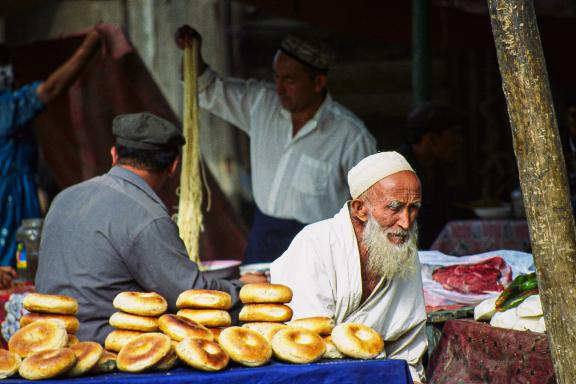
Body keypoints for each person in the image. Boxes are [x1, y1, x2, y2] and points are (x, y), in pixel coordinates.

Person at [36, 112, 266, 343]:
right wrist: (243, 288)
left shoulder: (65, 197)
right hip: (106, 348)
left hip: (45, 339)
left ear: (114, 155)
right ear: (173, 166)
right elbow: (189, 294)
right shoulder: (147, 217)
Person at [175, 26, 377, 264]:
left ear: (318, 82)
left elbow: (374, 209)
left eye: (289, 80)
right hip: (263, 241)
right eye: (276, 77)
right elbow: (203, 87)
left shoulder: (350, 135)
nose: (279, 88)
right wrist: (193, 52)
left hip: (321, 252)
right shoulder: (261, 104)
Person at [271, 151, 427, 383]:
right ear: (360, 209)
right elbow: (307, 346)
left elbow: (408, 350)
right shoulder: (315, 243)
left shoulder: (403, 250)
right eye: (394, 208)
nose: (406, 221)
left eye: (414, 207)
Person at [0, 29, 102, 287]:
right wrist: (89, 47)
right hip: (7, 207)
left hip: (20, 210)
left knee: (24, 275)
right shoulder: (7, 108)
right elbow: (53, 88)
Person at [398, 101, 465, 248]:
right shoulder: (398, 172)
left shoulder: (437, 169)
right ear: (431, 138)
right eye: (453, 133)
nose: (459, 141)